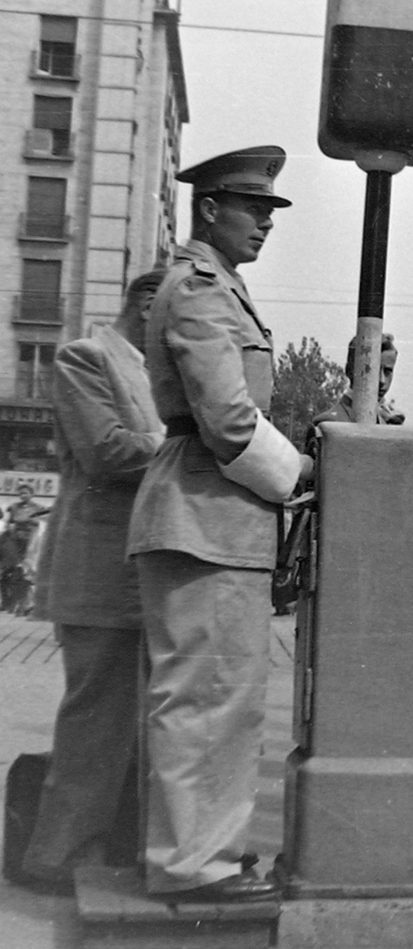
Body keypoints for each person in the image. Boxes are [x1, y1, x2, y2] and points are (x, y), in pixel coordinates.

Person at [125, 145, 313, 904]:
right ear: (209, 209)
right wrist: (300, 471)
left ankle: (207, 855)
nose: (265, 223)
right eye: (252, 208)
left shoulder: (219, 287)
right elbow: (230, 421)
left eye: (270, 211)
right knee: (206, 697)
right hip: (204, 510)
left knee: (222, 696)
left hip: (215, 513)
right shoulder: (201, 289)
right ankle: (191, 866)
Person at [16, 272, 166, 893]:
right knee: (96, 720)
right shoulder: (87, 357)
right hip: (96, 573)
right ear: (146, 304)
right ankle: (57, 857)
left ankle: (100, 849)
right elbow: (108, 451)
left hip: (138, 573)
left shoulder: (150, 371)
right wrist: (194, 447)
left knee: (128, 722)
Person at [313, 332, 405, 426]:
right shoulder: (330, 423)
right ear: (350, 371)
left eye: (387, 372)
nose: (382, 381)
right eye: (373, 371)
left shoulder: (390, 421)